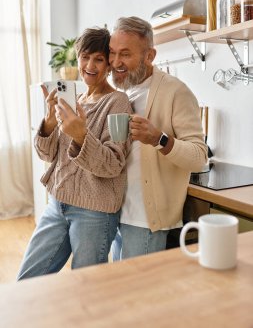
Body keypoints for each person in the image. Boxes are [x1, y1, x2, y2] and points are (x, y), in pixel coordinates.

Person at [17, 27, 132, 280]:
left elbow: (113, 163)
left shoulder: (118, 102)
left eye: (99, 59)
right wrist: (48, 122)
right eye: (85, 57)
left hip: (94, 213)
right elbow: (48, 156)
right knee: (25, 281)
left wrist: (81, 135)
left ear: (109, 65)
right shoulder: (75, 99)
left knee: (86, 289)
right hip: (57, 204)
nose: (90, 65)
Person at [109, 16, 207, 260]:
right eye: (112, 53)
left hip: (145, 220)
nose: (115, 63)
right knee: (120, 290)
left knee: (140, 294)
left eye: (125, 54)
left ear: (150, 56)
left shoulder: (176, 92)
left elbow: (199, 157)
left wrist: (159, 139)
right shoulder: (120, 92)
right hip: (114, 212)